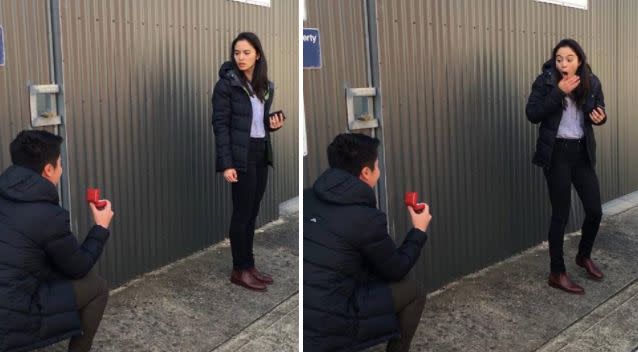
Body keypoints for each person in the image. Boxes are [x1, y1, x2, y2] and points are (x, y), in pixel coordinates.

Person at [303, 133, 432, 352]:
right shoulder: (366, 218)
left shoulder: (308, 197)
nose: (379, 172)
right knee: (414, 291)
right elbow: (396, 269)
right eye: (377, 166)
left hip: (305, 317)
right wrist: (418, 230)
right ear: (365, 172)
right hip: (330, 323)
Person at [0, 130, 115, 352]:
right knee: (97, 288)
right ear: (48, 170)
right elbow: (78, 267)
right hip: (9, 318)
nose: (61, 171)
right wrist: (100, 227)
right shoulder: (48, 214)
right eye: (60, 164)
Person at [526, 38, 607, 294]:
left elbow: (598, 110)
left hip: (581, 152)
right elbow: (532, 113)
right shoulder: (546, 81)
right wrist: (558, 92)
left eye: (569, 58)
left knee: (595, 210)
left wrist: (601, 117)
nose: (563, 63)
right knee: (560, 215)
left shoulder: (592, 82)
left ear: (579, 60)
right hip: (557, 153)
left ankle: (583, 256)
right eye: (559, 58)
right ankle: (556, 272)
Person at [212, 32, 285, 292]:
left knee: (252, 212)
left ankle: (249, 265)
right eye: (236, 53)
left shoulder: (265, 85)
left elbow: (256, 123)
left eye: (246, 52)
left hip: (259, 152)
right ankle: (239, 270)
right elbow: (220, 126)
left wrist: (272, 125)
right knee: (241, 214)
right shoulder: (226, 85)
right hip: (239, 157)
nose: (240, 58)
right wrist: (227, 163)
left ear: (258, 54)